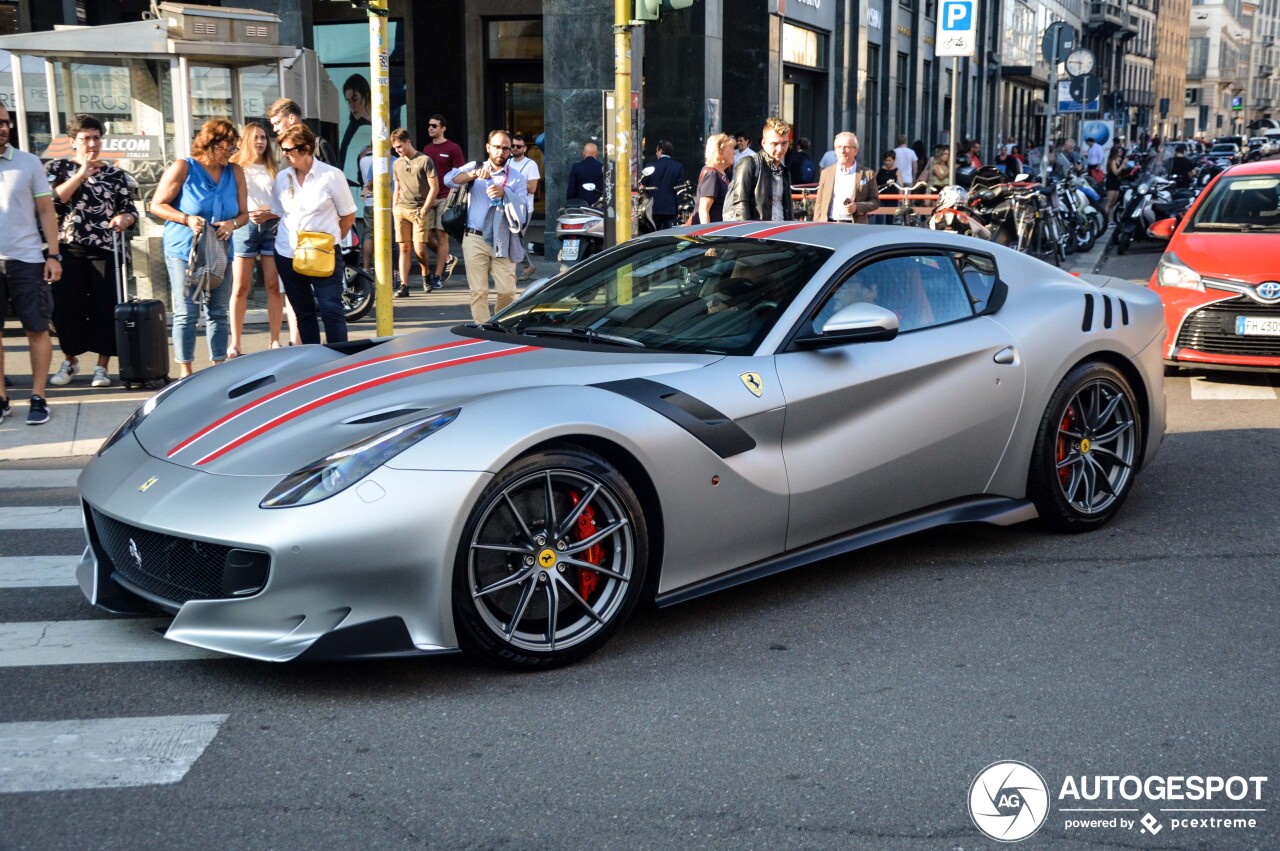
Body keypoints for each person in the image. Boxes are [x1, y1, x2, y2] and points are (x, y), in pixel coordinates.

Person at [45, 113, 138, 390]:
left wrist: (125, 219)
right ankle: (71, 360)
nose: (92, 144)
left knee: (104, 308)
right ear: (73, 141)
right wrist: (81, 174)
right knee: (66, 309)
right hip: (67, 249)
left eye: (96, 138)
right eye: (86, 138)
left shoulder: (115, 174)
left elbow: (130, 210)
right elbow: (52, 203)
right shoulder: (58, 167)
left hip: (105, 249)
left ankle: (102, 366)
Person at [150, 118, 247, 378]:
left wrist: (233, 223)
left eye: (233, 149)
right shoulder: (184, 167)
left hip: (219, 251)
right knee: (187, 312)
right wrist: (186, 218)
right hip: (185, 251)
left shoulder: (235, 172)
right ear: (211, 144)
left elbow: (245, 214)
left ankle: (218, 369)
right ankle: (185, 372)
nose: (231, 153)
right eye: (228, 147)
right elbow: (156, 205)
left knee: (217, 311)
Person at [0, 103, 63, 425]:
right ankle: (1, 399)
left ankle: (38, 396)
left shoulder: (28, 162)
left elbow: (46, 211)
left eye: (6, 122)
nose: (3, 127)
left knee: (37, 329)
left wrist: (53, 254)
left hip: (26, 259)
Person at [271, 122, 357, 344]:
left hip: (323, 252)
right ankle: (313, 363)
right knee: (304, 313)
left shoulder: (331, 175)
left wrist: (329, 241)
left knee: (331, 309)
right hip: (287, 252)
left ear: (306, 149)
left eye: (289, 150)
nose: (285, 155)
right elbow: (281, 213)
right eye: (283, 150)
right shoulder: (283, 177)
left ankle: (340, 362)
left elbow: (347, 215)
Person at [444, 130, 529, 323]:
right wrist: (473, 174)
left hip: (504, 238)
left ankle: (498, 324)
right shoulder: (475, 166)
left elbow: (523, 209)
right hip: (475, 237)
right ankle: (483, 329)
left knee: (507, 291)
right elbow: (449, 180)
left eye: (506, 148)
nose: (501, 152)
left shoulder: (516, 178)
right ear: (488, 147)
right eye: (497, 147)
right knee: (479, 291)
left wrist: (504, 193)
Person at [227, 121, 288, 356]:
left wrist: (270, 213)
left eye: (264, 137)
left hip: (271, 227)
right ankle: (235, 342)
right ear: (246, 141)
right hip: (245, 227)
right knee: (241, 286)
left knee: (273, 285)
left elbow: (284, 204)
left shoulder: (275, 168)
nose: (261, 142)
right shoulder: (235, 167)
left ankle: (274, 339)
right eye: (256, 137)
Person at [389, 127, 439, 297]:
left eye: (400, 147)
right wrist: (395, 207)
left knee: (420, 250)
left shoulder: (425, 160)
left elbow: (434, 188)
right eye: (395, 148)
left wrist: (425, 209)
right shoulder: (397, 163)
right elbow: (397, 187)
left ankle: (426, 274)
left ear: (408, 142)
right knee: (404, 247)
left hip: (419, 209)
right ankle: (404, 285)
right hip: (401, 209)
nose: (398, 151)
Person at [422, 115, 464, 289]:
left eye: (434, 126)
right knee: (424, 237)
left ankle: (438, 276)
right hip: (430, 196)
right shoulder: (426, 149)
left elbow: (460, 173)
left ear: (443, 128)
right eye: (429, 126)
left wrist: (458, 197)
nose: (430, 128)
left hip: (446, 196)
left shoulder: (453, 148)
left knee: (442, 235)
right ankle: (448, 259)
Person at [727, 117, 793, 221]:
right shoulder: (749, 163)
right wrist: (749, 235)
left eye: (784, 143)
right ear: (763, 143)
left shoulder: (784, 170)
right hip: (758, 233)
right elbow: (740, 205)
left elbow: (786, 207)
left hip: (780, 233)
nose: (780, 149)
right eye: (775, 144)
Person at [812, 132, 878, 224]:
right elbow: (819, 203)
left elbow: (875, 202)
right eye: (838, 147)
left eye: (846, 147)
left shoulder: (867, 174)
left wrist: (857, 207)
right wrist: (816, 225)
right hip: (829, 225)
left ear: (855, 150)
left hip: (855, 227)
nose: (842, 151)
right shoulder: (826, 173)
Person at [508, 132, 540, 280]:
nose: (515, 148)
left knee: (515, 236)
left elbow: (533, 188)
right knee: (514, 237)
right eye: (512, 146)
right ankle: (526, 266)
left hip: (524, 208)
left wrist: (514, 183)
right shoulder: (507, 162)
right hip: (508, 205)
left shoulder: (531, 164)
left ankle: (515, 271)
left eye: (518, 146)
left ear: (525, 149)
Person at [266, 98, 337, 165]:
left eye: (277, 123)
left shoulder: (319, 146)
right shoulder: (277, 150)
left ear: (291, 118)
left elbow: (333, 176)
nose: (275, 129)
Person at [338, 73, 372, 209]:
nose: (352, 105)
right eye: (348, 101)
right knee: (362, 155)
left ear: (366, 96)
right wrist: (339, 174)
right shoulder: (355, 119)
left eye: (355, 99)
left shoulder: (385, 106)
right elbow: (344, 145)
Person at [641, 139, 685, 230]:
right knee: (669, 236)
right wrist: (680, 206)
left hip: (654, 208)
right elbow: (680, 189)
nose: (656, 153)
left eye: (656, 150)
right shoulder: (678, 167)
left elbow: (643, 184)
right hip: (671, 209)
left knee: (653, 234)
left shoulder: (650, 166)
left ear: (660, 150)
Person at [696, 133, 734, 224]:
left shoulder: (720, 174)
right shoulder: (712, 174)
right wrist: (707, 235)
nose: (734, 152)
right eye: (731, 149)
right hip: (712, 234)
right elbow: (703, 210)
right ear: (720, 152)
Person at [1105, 144, 1127, 221]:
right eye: (1119, 151)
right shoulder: (1113, 161)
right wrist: (1122, 165)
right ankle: (1105, 219)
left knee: (1113, 202)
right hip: (1112, 181)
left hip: (1117, 181)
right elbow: (1115, 172)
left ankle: (1110, 220)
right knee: (1109, 202)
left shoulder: (1119, 160)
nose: (1121, 152)